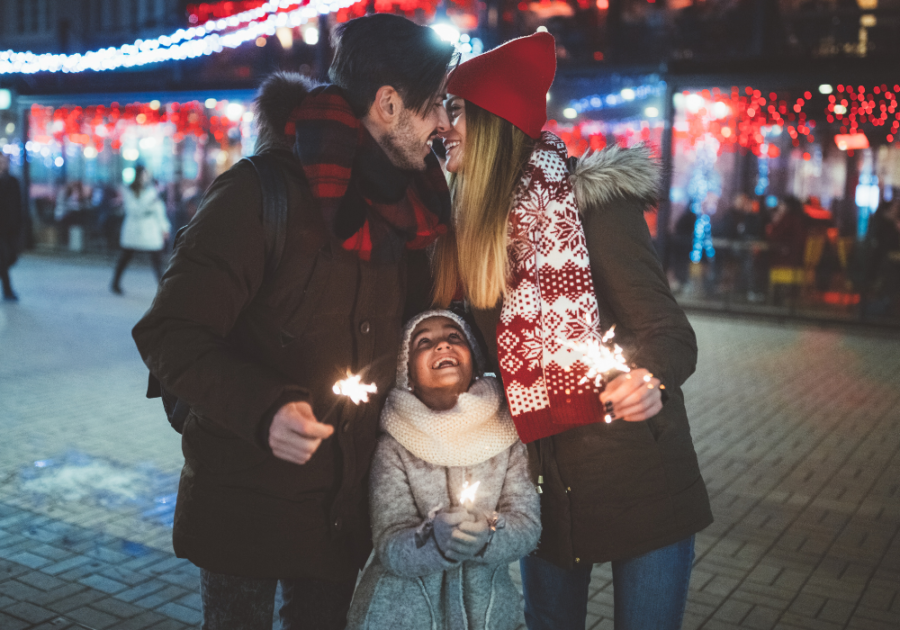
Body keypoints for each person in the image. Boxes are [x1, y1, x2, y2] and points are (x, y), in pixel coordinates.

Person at [131, 14, 455, 630]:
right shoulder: (258, 194)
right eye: (436, 103)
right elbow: (168, 332)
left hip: (342, 509)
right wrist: (267, 410)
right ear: (388, 104)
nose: (444, 121)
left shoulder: (412, 207)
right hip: (244, 503)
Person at [432, 33, 712, 630]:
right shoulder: (470, 231)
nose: (441, 125)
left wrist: (648, 377)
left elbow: (668, 331)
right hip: (545, 493)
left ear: (493, 121)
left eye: (453, 111)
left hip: (642, 480)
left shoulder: (592, 208)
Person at [345, 310, 541, 629]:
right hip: (401, 616)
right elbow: (389, 544)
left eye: (454, 337)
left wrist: (488, 535)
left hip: (489, 617)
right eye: (424, 342)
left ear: (476, 362)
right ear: (405, 372)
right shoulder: (394, 443)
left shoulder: (506, 432)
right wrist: (435, 542)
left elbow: (527, 525)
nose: (442, 345)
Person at [110, 165, 171, 294]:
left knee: (156, 260)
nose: (146, 177)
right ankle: (115, 283)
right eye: (144, 174)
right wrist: (149, 204)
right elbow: (132, 209)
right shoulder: (129, 190)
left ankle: (164, 288)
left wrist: (164, 228)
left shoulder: (152, 190)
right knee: (126, 257)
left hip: (150, 229)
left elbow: (159, 211)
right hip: (134, 228)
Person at [0, 154, 24, 301]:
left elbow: (18, 204)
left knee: (12, 256)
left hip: (11, 226)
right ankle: (8, 290)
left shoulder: (13, 180)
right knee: (3, 258)